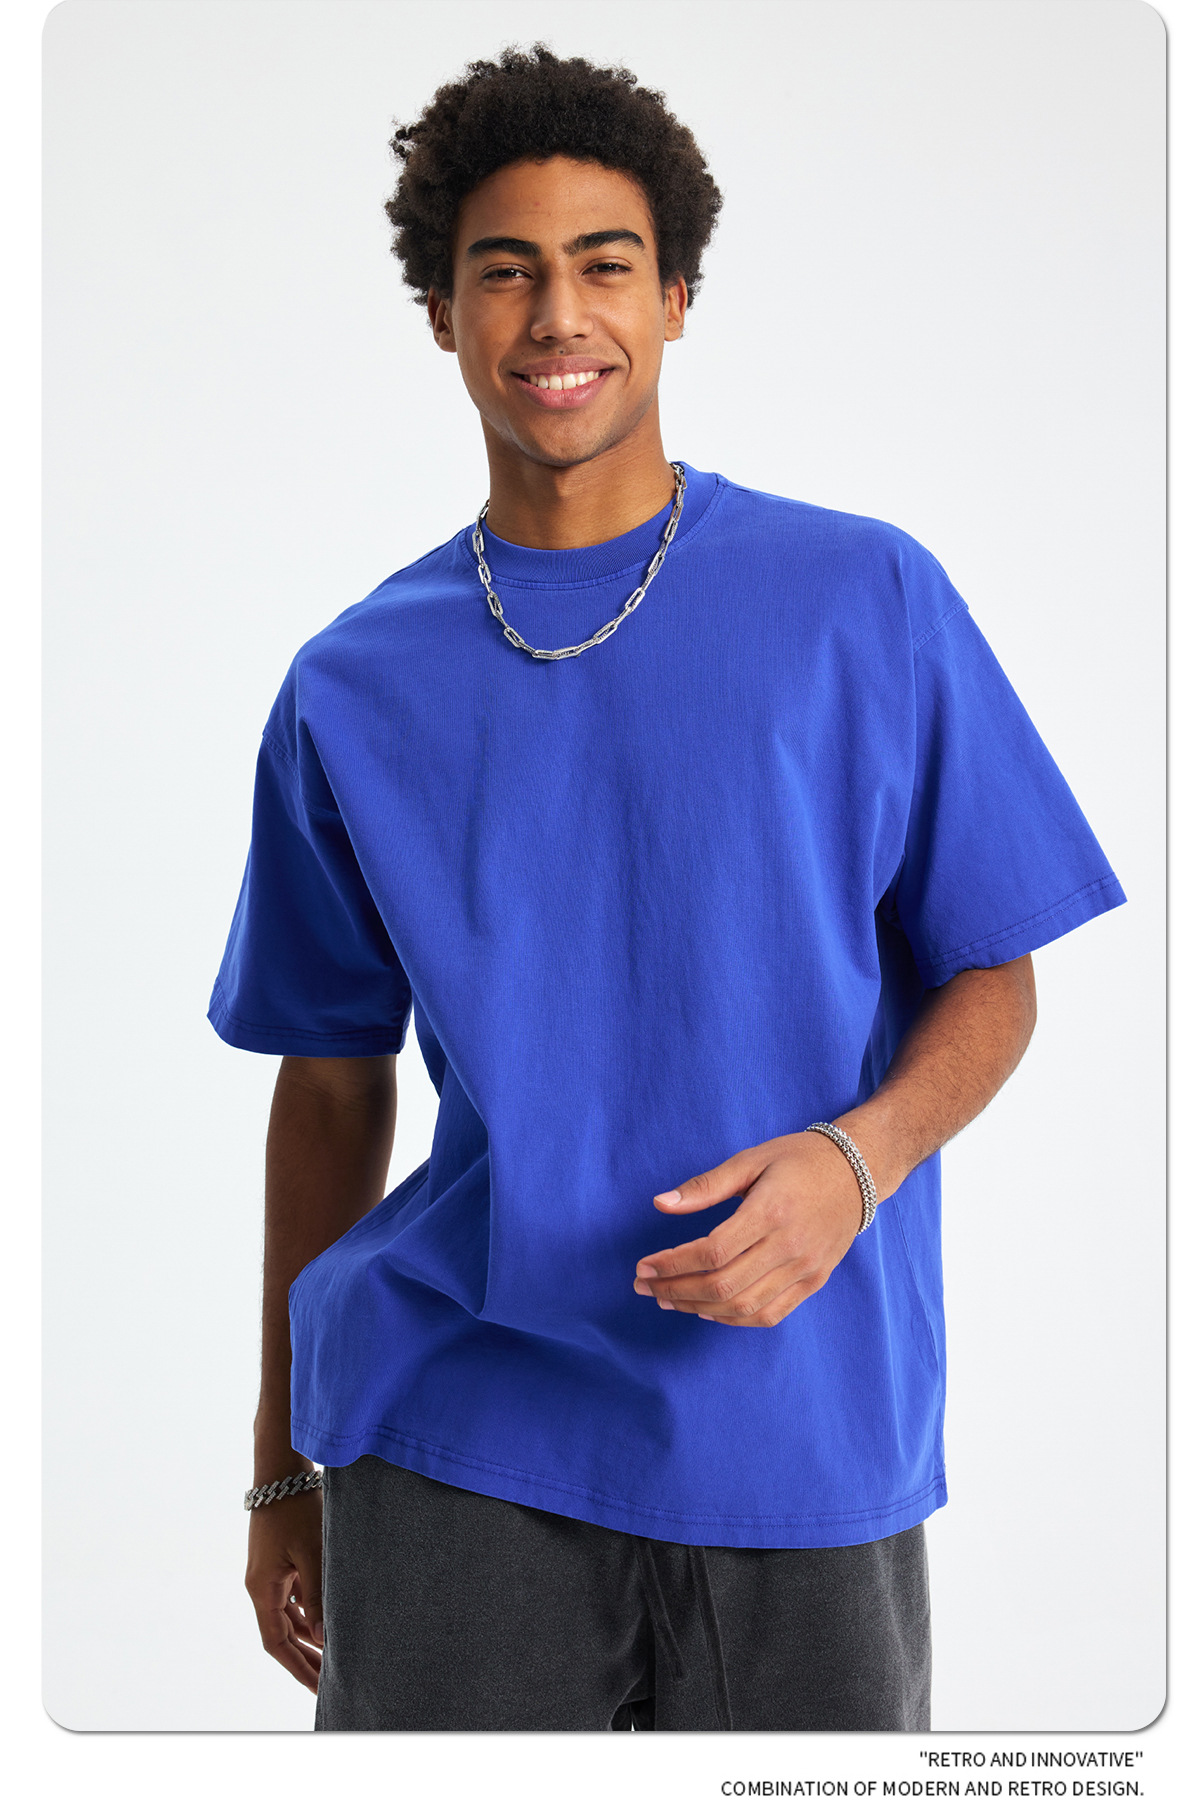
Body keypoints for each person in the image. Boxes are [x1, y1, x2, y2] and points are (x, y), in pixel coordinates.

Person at [209, 46, 1125, 1732]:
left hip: (802, 1433)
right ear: (442, 315)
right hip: (454, 1428)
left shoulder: (863, 600)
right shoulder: (350, 684)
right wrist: (279, 1470)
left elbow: (994, 975)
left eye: (605, 265)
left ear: (676, 299)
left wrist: (859, 1162)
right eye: (506, 271)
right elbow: (328, 1087)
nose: (558, 315)